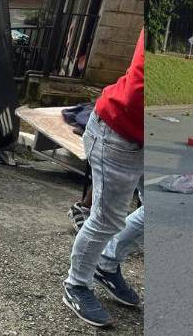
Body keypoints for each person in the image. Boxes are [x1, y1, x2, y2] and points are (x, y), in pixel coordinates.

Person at [63, 30, 145, 327]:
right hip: (117, 132)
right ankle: (76, 285)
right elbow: (139, 91)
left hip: (145, 139)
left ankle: (107, 264)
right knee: (106, 219)